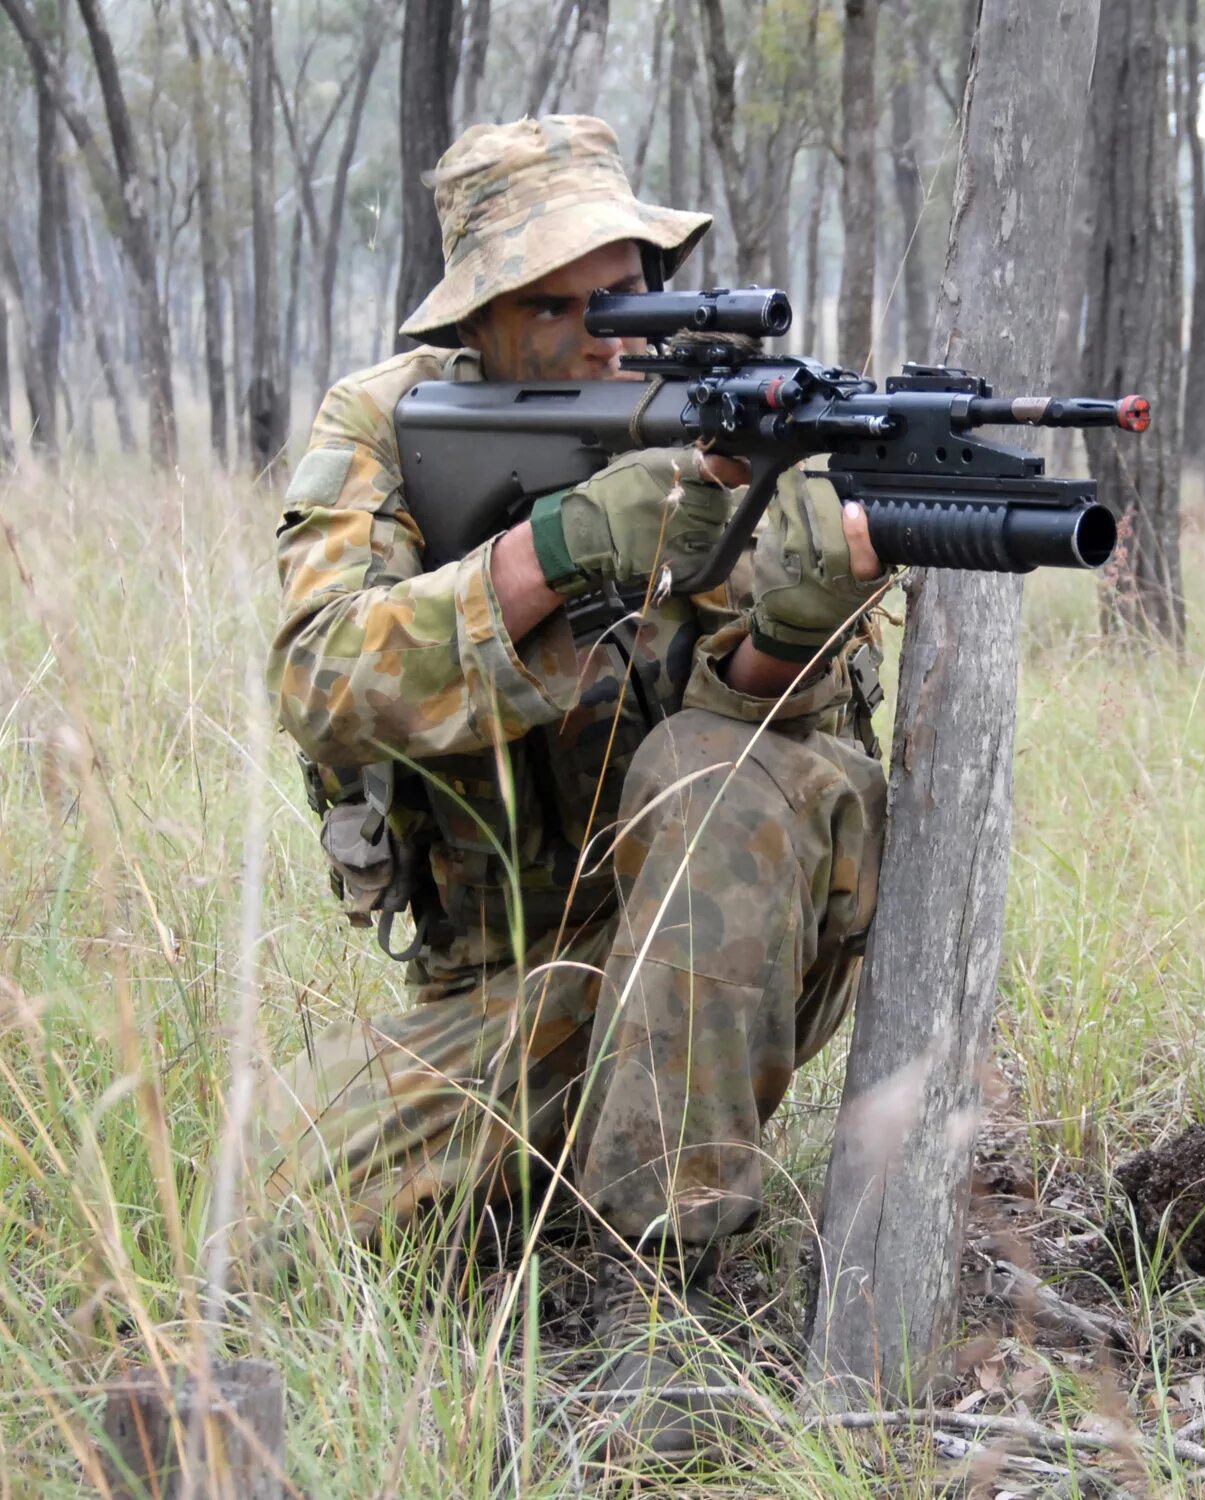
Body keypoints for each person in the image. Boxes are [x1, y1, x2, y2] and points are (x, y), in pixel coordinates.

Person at [262, 115, 889, 1452]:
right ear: (478, 322)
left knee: (706, 772)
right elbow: (321, 675)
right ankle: (534, 1209)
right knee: (273, 1222)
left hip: (711, 942)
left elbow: (763, 740)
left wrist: (791, 619)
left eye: (629, 295)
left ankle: (662, 1316)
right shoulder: (382, 424)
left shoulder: (727, 420)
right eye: (557, 304)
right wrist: (558, 547)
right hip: (511, 998)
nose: (608, 332)